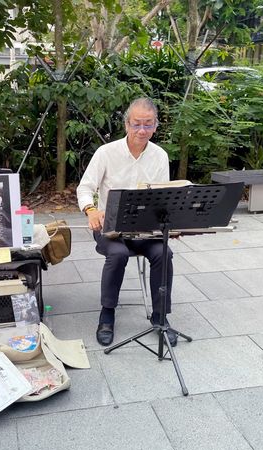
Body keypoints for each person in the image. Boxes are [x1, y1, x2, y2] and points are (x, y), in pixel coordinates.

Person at [76, 97, 177, 347]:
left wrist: (171, 225)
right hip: (110, 228)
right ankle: (107, 314)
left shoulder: (160, 156)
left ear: (156, 126)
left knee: (164, 252)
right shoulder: (106, 152)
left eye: (148, 124)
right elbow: (84, 187)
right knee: (118, 254)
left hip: (145, 230)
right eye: (136, 124)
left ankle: (160, 317)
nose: (142, 131)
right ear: (126, 125)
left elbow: (162, 197)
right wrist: (90, 210)